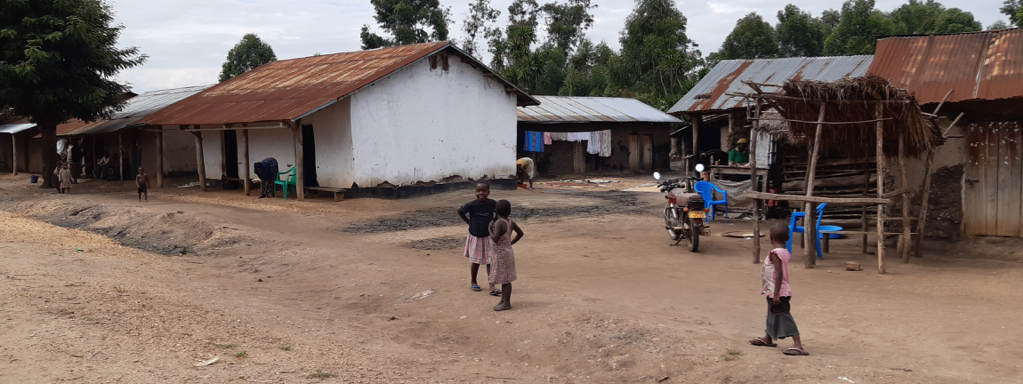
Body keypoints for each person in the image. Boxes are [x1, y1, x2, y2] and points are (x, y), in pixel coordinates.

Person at [749, 222, 808, 356]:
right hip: (775, 291)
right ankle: (768, 337)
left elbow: (779, 273)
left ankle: (798, 345)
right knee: (772, 314)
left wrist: (776, 294)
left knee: (784, 316)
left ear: (771, 238)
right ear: (787, 238)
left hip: (778, 292)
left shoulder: (775, 253)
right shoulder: (785, 252)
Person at [457, 181, 498, 295]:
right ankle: (473, 281)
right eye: (478, 191)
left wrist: (494, 222)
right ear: (475, 193)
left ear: (488, 193)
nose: (481, 193)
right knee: (476, 261)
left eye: (484, 191)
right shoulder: (472, 205)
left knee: (490, 261)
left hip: (488, 236)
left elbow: (499, 211)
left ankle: (492, 285)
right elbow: (459, 210)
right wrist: (469, 222)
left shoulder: (492, 204)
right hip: (476, 236)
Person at [488, 199, 524, 311]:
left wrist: (489, 229)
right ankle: (503, 300)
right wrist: (510, 242)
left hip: (501, 255)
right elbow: (520, 233)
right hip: (507, 253)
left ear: (495, 211)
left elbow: (495, 238)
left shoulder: (499, 223)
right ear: (509, 211)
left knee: (506, 280)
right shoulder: (510, 222)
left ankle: (506, 303)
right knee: (505, 279)